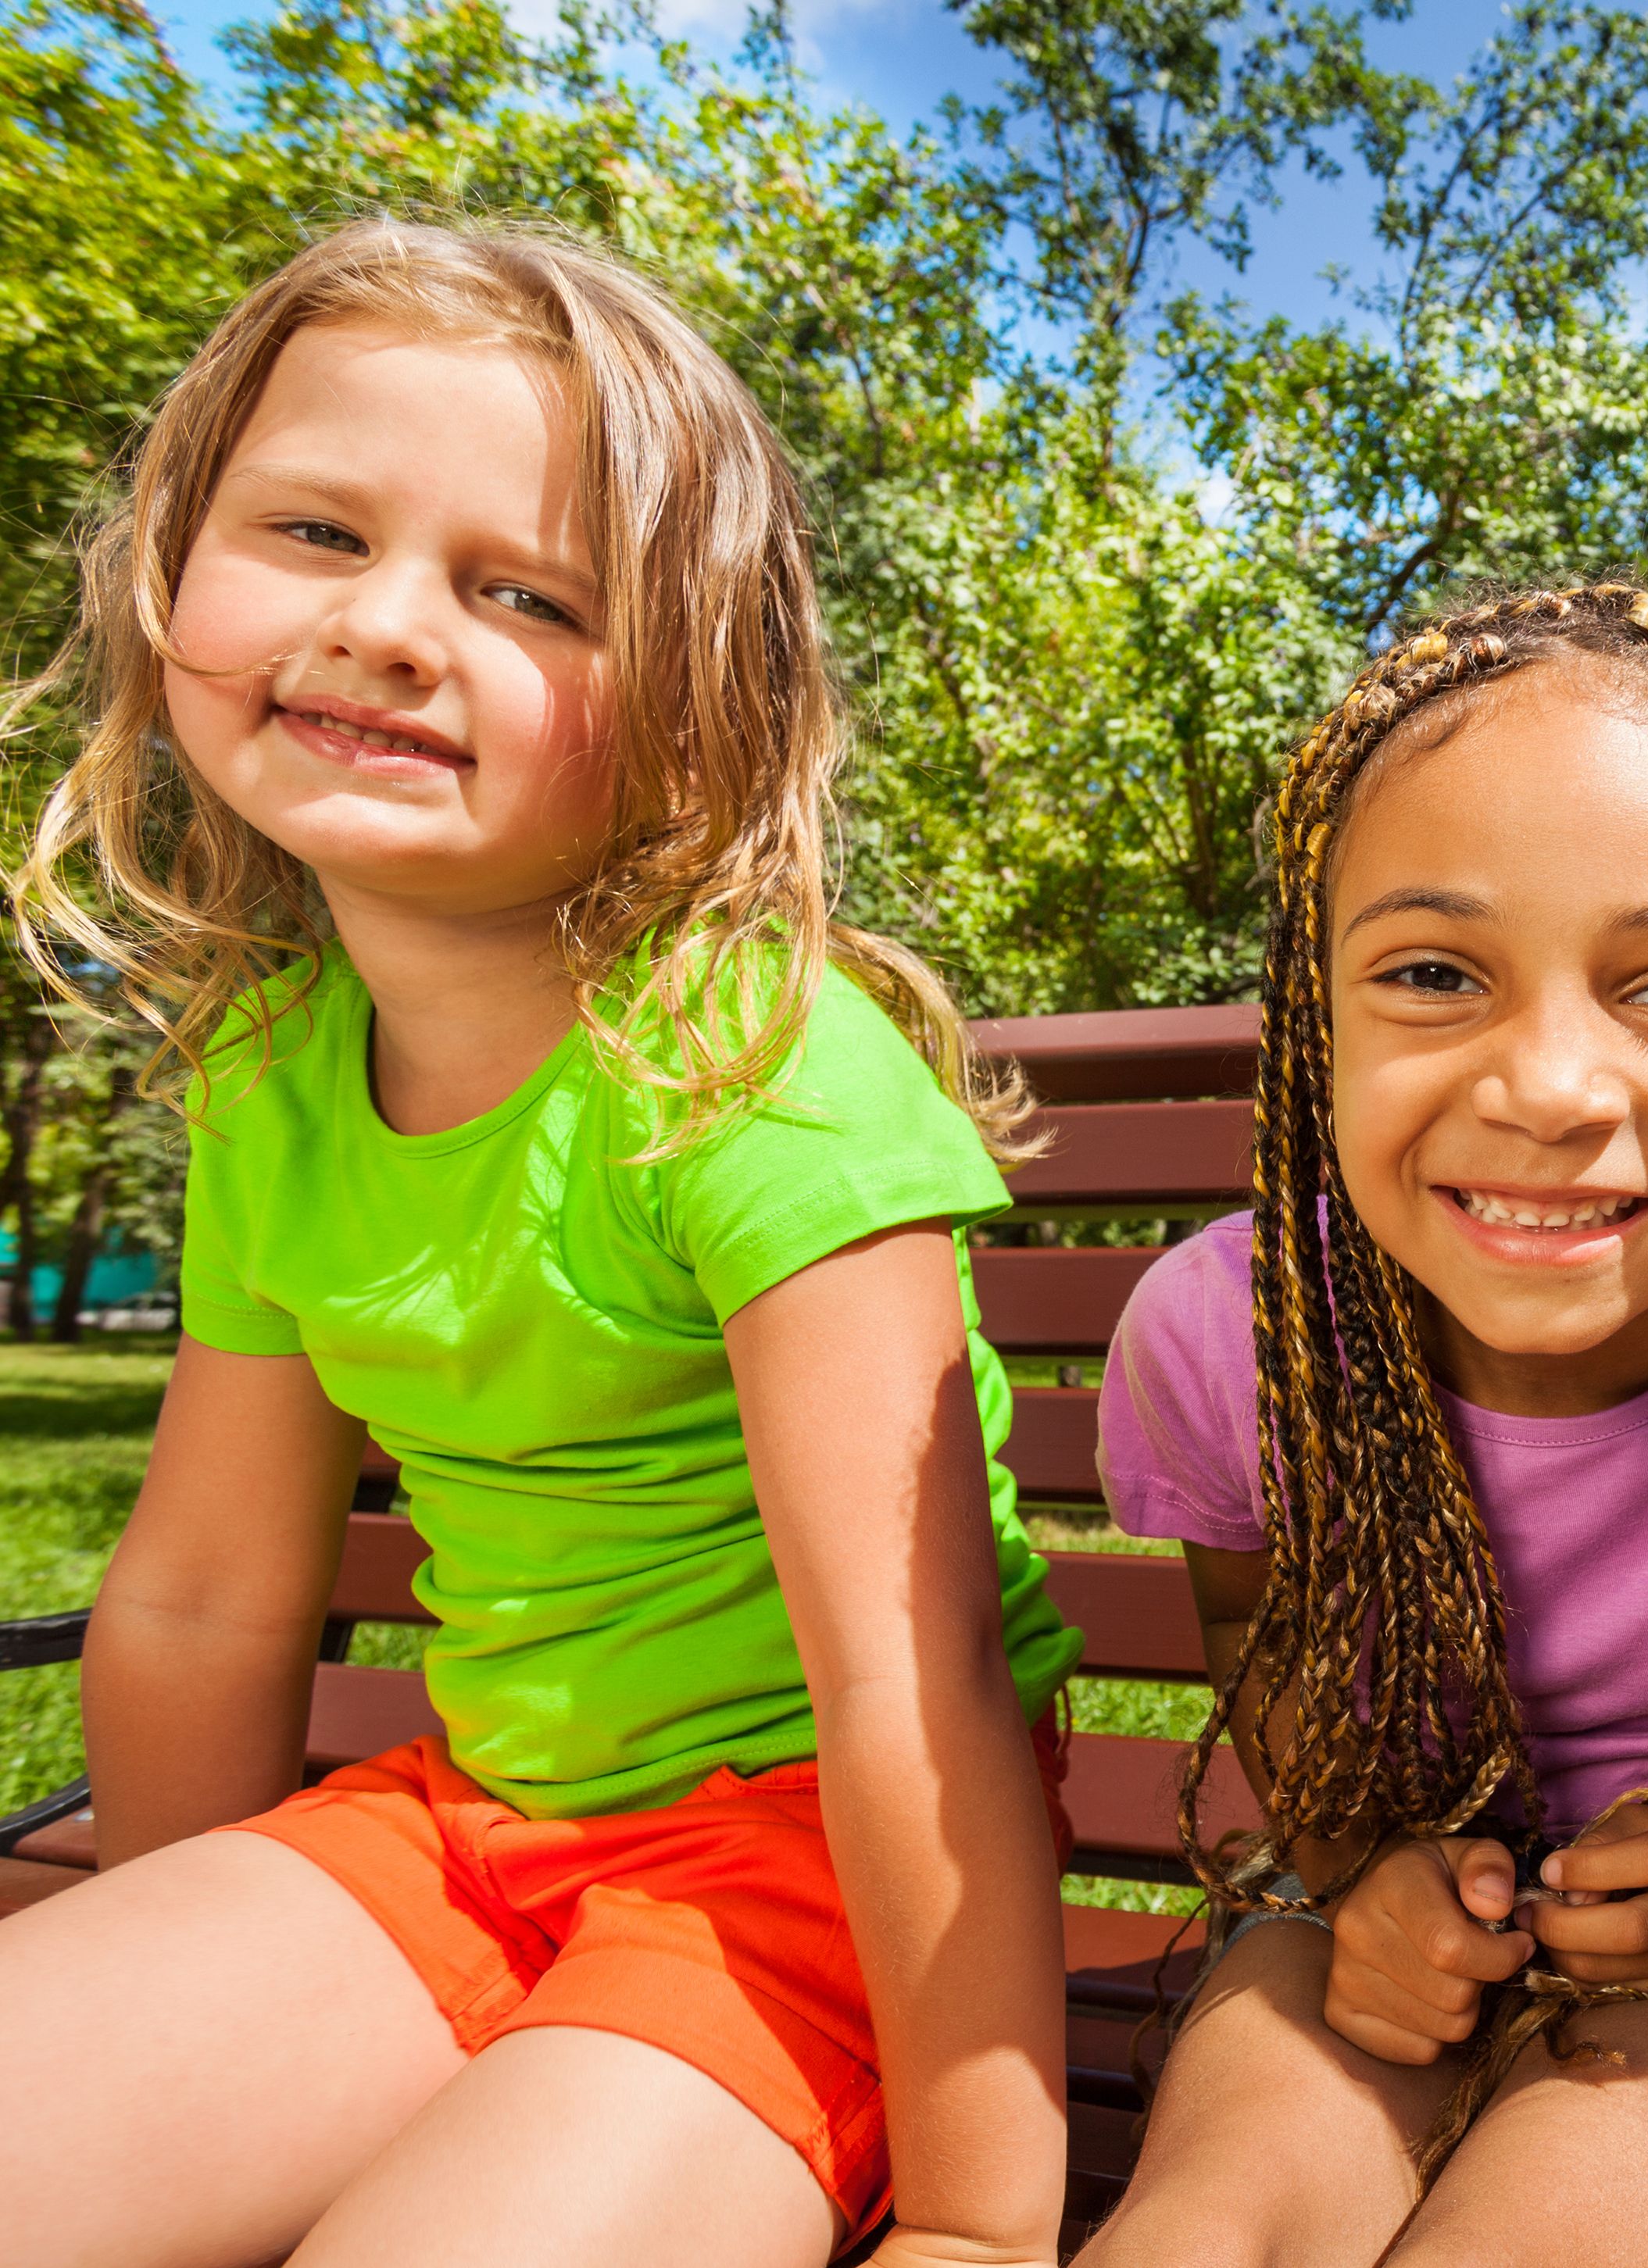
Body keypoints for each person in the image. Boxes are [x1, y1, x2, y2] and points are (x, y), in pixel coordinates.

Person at [0, 218, 1081, 2268]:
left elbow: (911, 1684)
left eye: (528, 594)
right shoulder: (279, 1070)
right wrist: (216, 2012)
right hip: (464, 1831)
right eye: (316, 530)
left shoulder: (758, 1072)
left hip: (811, 1884)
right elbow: (209, 1600)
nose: (393, 627)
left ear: (692, 711)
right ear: (171, 569)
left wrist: (980, 2228)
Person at [1076, 582, 1648, 2268]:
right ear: (1323, 1019)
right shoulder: (1233, 1340)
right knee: (1198, 2232)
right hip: (1366, 1908)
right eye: (1435, 973)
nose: (1550, 1086)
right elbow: (1267, 1650)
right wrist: (1360, 1868)